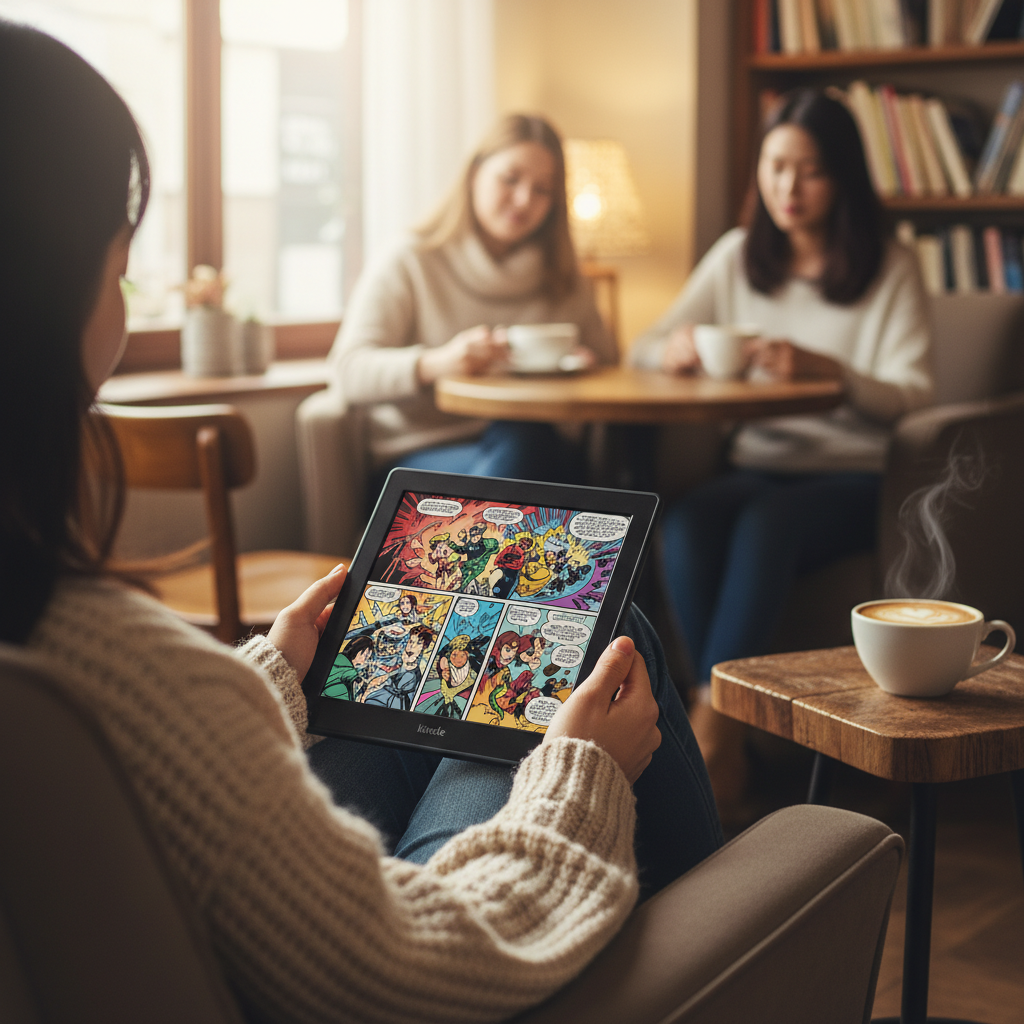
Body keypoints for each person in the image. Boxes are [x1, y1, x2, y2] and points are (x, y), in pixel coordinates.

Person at [0, 22, 721, 1024]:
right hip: (421, 962)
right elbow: (413, 971)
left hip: (246, 915)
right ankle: (730, 944)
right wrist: (583, 769)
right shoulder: (110, 666)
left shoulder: (77, 661)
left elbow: (172, 773)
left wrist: (264, 677)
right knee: (597, 634)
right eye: (121, 267)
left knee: (487, 644)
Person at [631, 89, 933, 812]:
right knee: (689, 521)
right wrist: (672, 349)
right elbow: (644, 344)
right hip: (758, 463)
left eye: (811, 171)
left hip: (851, 473)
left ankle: (711, 735)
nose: (788, 187)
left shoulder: (891, 265)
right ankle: (726, 727)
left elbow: (915, 395)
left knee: (768, 524)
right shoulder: (738, 256)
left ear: (844, 177)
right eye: (774, 167)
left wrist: (832, 371)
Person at [329, 113, 617, 489]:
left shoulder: (564, 276)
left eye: (543, 190)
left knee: (530, 439)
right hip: (428, 452)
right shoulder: (411, 259)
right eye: (510, 179)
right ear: (475, 174)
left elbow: (609, 368)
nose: (524, 200)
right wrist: (437, 363)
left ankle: (480, 523)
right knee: (527, 452)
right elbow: (348, 370)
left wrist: (584, 369)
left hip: (539, 449)